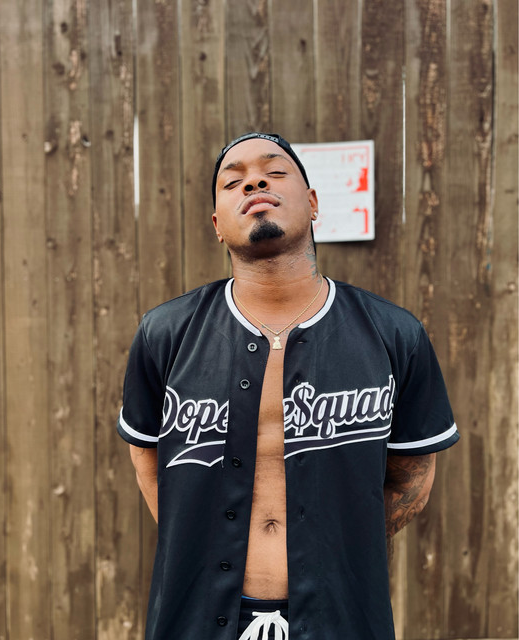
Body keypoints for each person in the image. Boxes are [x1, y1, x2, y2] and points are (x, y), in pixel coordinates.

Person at [117, 132, 459, 640]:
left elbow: (413, 477)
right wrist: (203, 546)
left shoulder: (393, 334)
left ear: (314, 203)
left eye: (274, 172)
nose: (254, 183)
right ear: (217, 226)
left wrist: (334, 551)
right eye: (233, 182)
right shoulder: (165, 334)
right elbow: (148, 460)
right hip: (197, 618)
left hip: (340, 618)